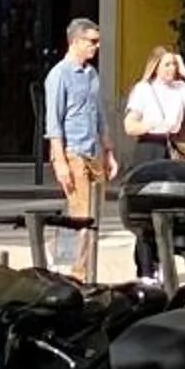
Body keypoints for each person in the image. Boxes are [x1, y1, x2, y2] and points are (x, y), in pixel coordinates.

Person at [120, 46, 185, 278]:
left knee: (169, 210)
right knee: (146, 213)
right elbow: (129, 125)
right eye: (166, 64)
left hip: (170, 147)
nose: (170, 69)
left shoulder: (181, 89)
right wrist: (153, 124)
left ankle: (163, 261)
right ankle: (145, 268)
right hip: (149, 147)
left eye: (173, 64)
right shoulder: (144, 89)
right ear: (155, 66)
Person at [40, 16, 113, 276]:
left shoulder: (92, 74)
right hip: (73, 152)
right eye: (92, 41)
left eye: (98, 42)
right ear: (75, 41)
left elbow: (100, 113)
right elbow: (54, 122)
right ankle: (78, 275)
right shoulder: (59, 75)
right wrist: (59, 161)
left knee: (93, 214)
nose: (96, 47)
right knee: (82, 214)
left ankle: (58, 249)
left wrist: (108, 151)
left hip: (94, 151)